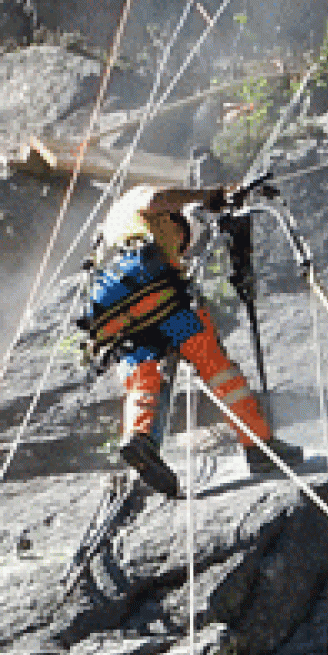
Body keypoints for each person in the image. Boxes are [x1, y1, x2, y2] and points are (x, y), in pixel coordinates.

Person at [79, 183, 302, 497]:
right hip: (153, 287)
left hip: (111, 309)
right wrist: (206, 195)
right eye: (181, 240)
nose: (182, 250)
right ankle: (258, 445)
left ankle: (140, 440)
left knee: (143, 376)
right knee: (215, 365)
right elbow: (158, 198)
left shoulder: (110, 231)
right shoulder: (137, 199)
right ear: (172, 220)